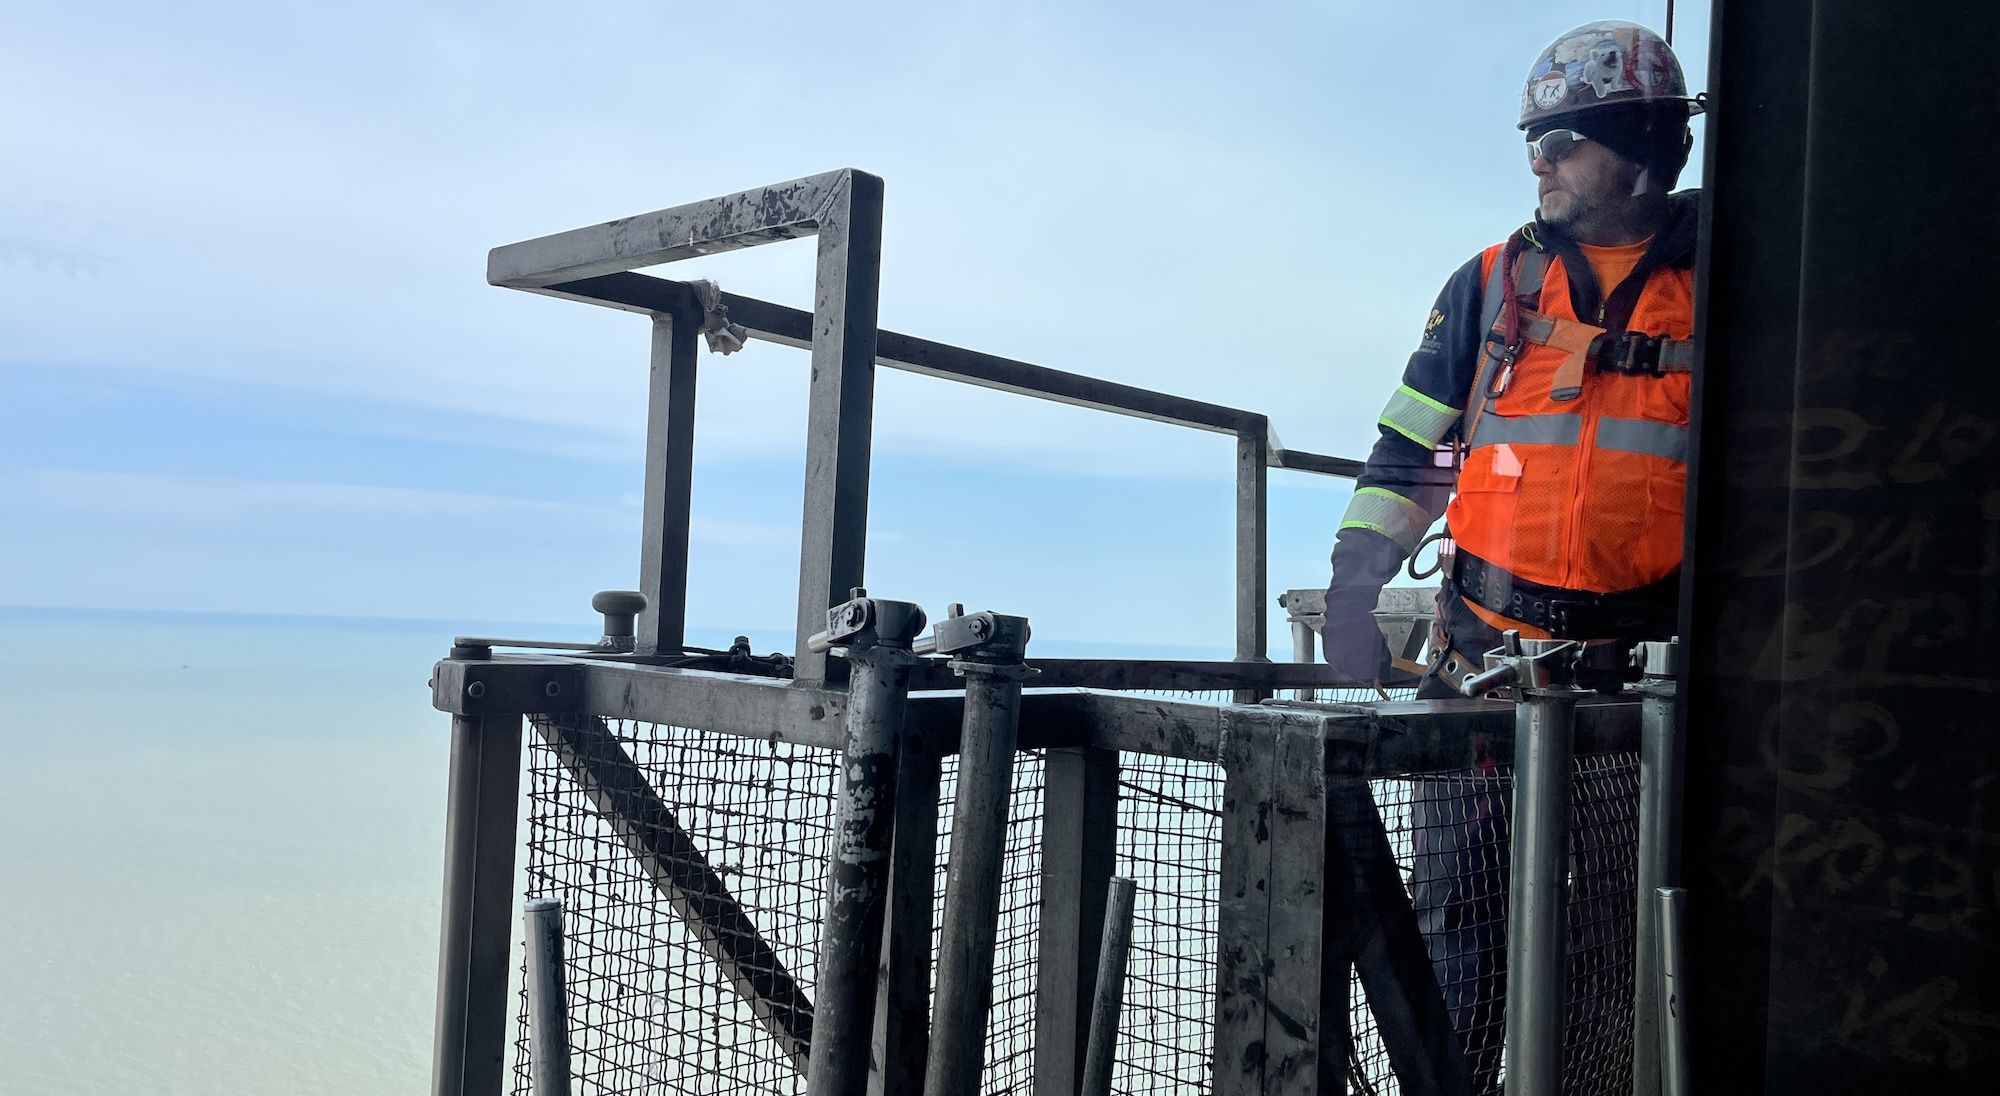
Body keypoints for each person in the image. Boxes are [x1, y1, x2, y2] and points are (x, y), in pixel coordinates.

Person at [1322, 20, 1704, 1091]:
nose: (1534, 160)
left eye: (1560, 138)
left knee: (1614, 945)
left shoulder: (1732, 279)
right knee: (1456, 928)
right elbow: (1409, 451)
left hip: (1640, 698)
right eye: (1530, 138)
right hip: (1479, 674)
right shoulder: (1490, 285)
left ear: (1635, 143)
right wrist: (1355, 589)